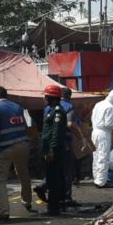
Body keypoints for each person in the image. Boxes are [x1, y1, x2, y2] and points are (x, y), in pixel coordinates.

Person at [0, 86, 37, 221]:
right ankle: (27, 202)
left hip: (5, 147)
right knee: (23, 173)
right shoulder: (17, 107)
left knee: (0, 178)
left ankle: (4, 211)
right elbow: (26, 127)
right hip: (22, 144)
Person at [33, 87, 85, 205]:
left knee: (54, 171)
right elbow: (70, 124)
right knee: (66, 172)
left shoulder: (48, 109)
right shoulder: (66, 108)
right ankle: (64, 198)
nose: (43, 98)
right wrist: (81, 138)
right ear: (69, 97)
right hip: (62, 144)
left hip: (49, 144)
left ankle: (47, 191)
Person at [40, 85, 67, 216]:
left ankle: (53, 208)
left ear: (53, 98)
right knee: (51, 179)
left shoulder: (57, 112)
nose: (44, 98)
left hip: (54, 150)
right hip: (49, 149)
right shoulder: (51, 110)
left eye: (47, 96)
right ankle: (53, 205)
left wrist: (51, 151)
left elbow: (56, 133)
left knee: (54, 180)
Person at [91, 89, 113, 188]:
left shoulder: (98, 104)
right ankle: (101, 182)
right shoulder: (110, 107)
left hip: (94, 131)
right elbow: (108, 124)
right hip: (103, 133)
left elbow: (92, 118)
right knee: (103, 157)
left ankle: (97, 178)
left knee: (96, 156)